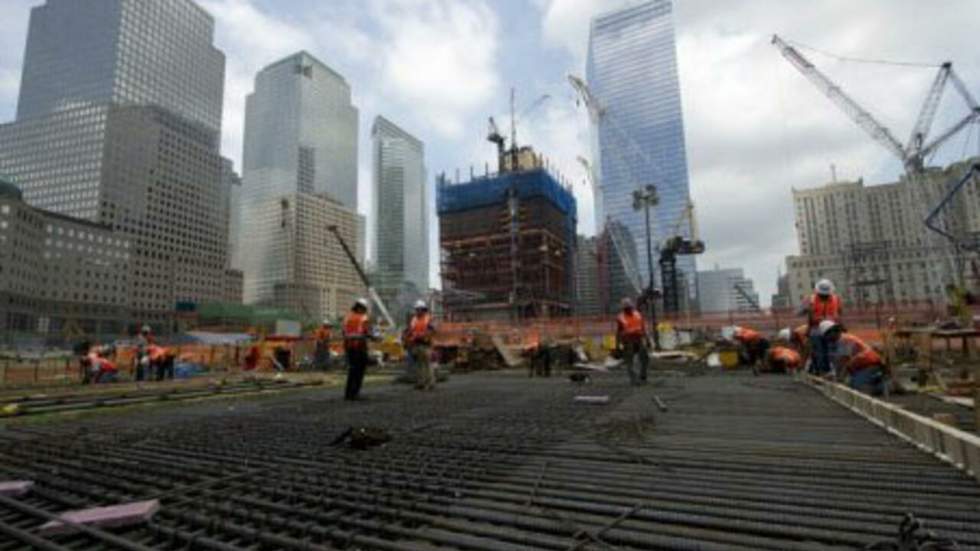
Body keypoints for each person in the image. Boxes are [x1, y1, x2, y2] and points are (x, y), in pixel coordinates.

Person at [821, 320, 888, 395]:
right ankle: (876, 380)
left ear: (832, 332)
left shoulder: (844, 340)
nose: (826, 338)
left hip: (870, 364)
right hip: (860, 367)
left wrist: (839, 380)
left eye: (826, 335)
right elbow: (839, 364)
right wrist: (833, 375)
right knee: (852, 384)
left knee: (858, 389)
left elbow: (844, 362)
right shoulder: (837, 343)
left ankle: (886, 385)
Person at [797, 279, 842, 375]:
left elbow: (840, 312)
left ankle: (830, 371)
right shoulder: (811, 299)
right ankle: (822, 371)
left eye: (826, 294)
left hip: (830, 329)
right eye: (823, 294)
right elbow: (799, 312)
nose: (824, 296)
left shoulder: (836, 299)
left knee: (830, 351)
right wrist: (806, 308)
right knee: (820, 351)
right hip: (817, 328)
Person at [343, 298, 376, 401]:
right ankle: (355, 393)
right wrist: (374, 337)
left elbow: (344, 332)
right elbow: (367, 332)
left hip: (349, 347)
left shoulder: (348, 317)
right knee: (359, 371)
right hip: (359, 347)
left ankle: (348, 394)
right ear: (362, 308)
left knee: (352, 370)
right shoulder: (363, 318)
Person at [403, 300, 436, 390]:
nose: (417, 311)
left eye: (419, 309)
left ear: (423, 310)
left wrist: (424, 335)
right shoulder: (414, 319)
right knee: (418, 365)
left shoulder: (428, 318)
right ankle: (420, 382)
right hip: (416, 344)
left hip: (425, 344)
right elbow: (410, 330)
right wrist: (407, 338)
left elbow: (432, 331)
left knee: (427, 364)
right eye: (417, 309)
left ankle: (429, 383)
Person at [616, 298, 649, 386]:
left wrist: (647, 339)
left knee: (645, 358)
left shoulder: (637, 314)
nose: (628, 309)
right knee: (630, 361)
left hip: (639, 339)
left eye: (629, 307)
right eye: (626, 308)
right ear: (623, 308)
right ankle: (634, 380)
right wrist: (617, 345)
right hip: (628, 341)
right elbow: (619, 331)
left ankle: (643, 376)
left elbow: (643, 328)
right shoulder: (621, 317)